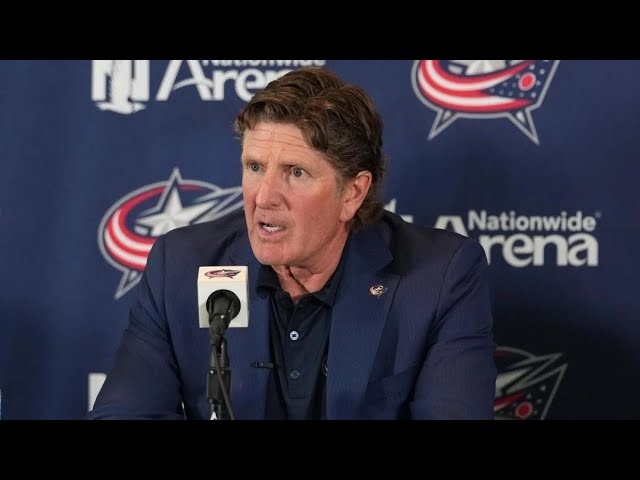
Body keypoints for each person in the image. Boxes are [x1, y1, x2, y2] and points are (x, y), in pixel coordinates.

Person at [89, 66, 497, 420]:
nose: (264, 197)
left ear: (352, 193)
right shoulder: (181, 265)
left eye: (296, 172)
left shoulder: (438, 279)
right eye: (254, 167)